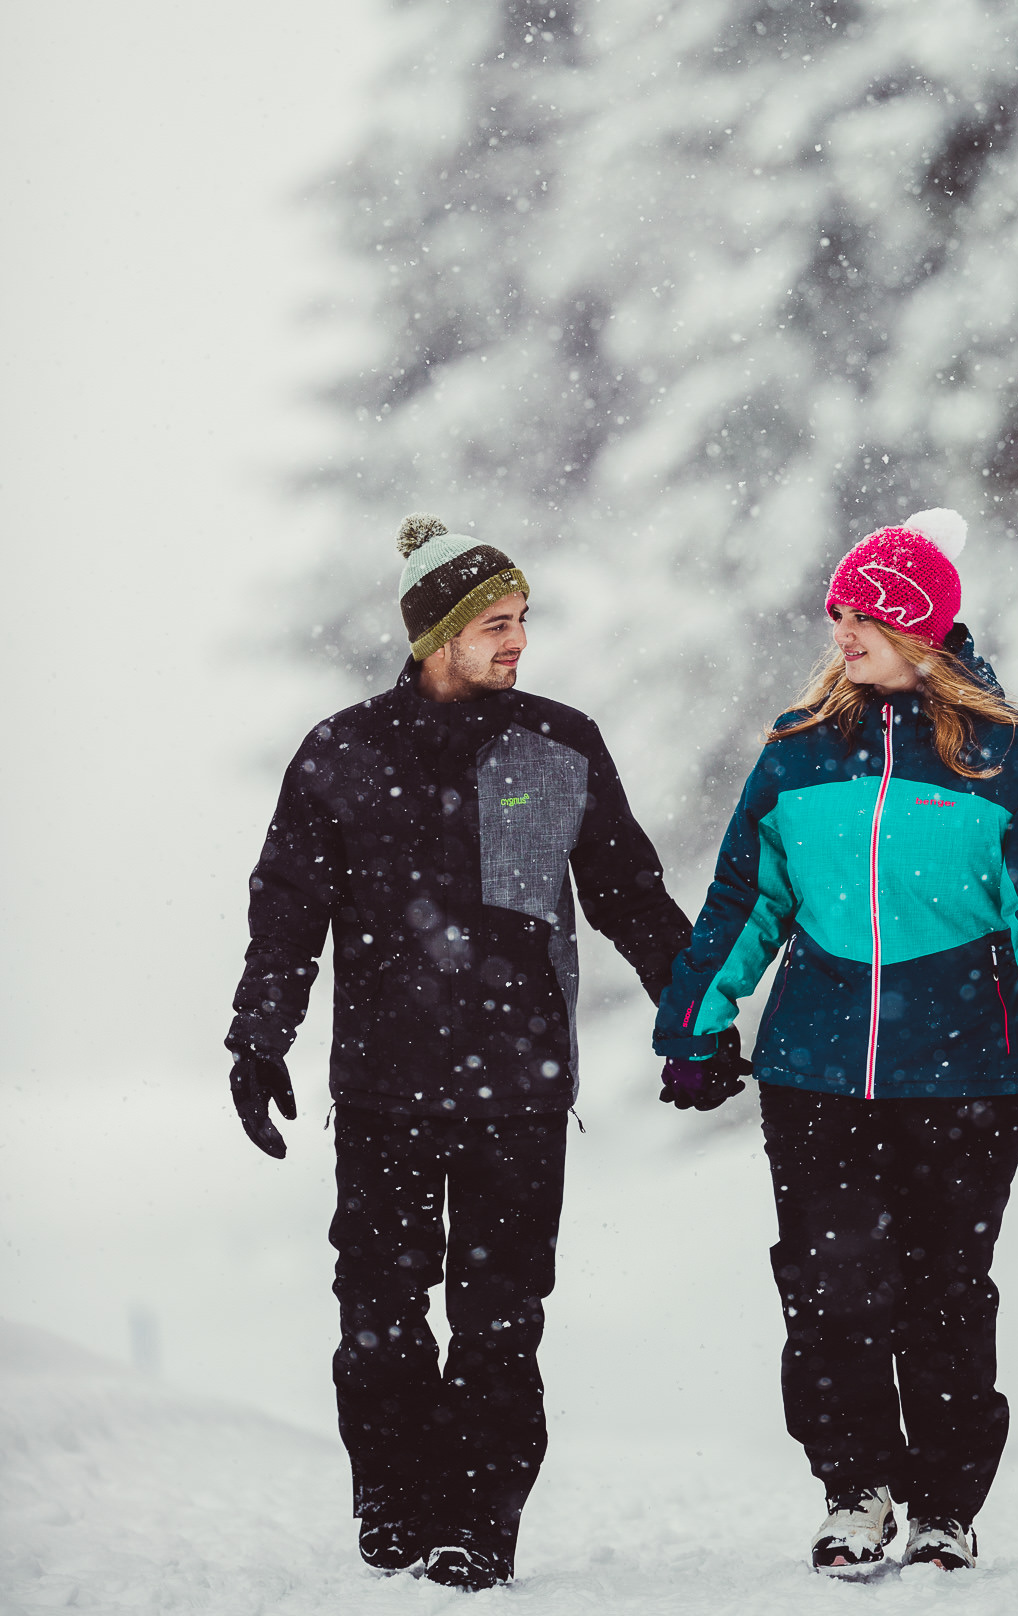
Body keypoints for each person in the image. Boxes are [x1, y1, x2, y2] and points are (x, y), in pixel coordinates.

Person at [226, 514, 691, 1591]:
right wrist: (259, 1036)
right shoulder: (341, 752)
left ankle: (479, 1524)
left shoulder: (560, 744)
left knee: (499, 1323)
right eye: (497, 622)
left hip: (519, 1091)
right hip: (382, 1090)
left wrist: (693, 1013)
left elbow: (627, 893)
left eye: (524, 618)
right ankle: (396, 1500)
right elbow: (287, 910)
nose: (519, 639)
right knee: (378, 1316)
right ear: (438, 633)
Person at [655, 508, 1018, 1576]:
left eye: (863, 615)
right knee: (830, 1286)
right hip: (815, 1068)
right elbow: (745, 899)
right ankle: (854, 1489)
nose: (842, 633)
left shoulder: (1008, 756)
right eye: (838, 615)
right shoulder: (797, 750)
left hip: (969, 1068)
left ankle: (943, 1503)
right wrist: (695, 1022)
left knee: (945, 1290)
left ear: (921, 628)